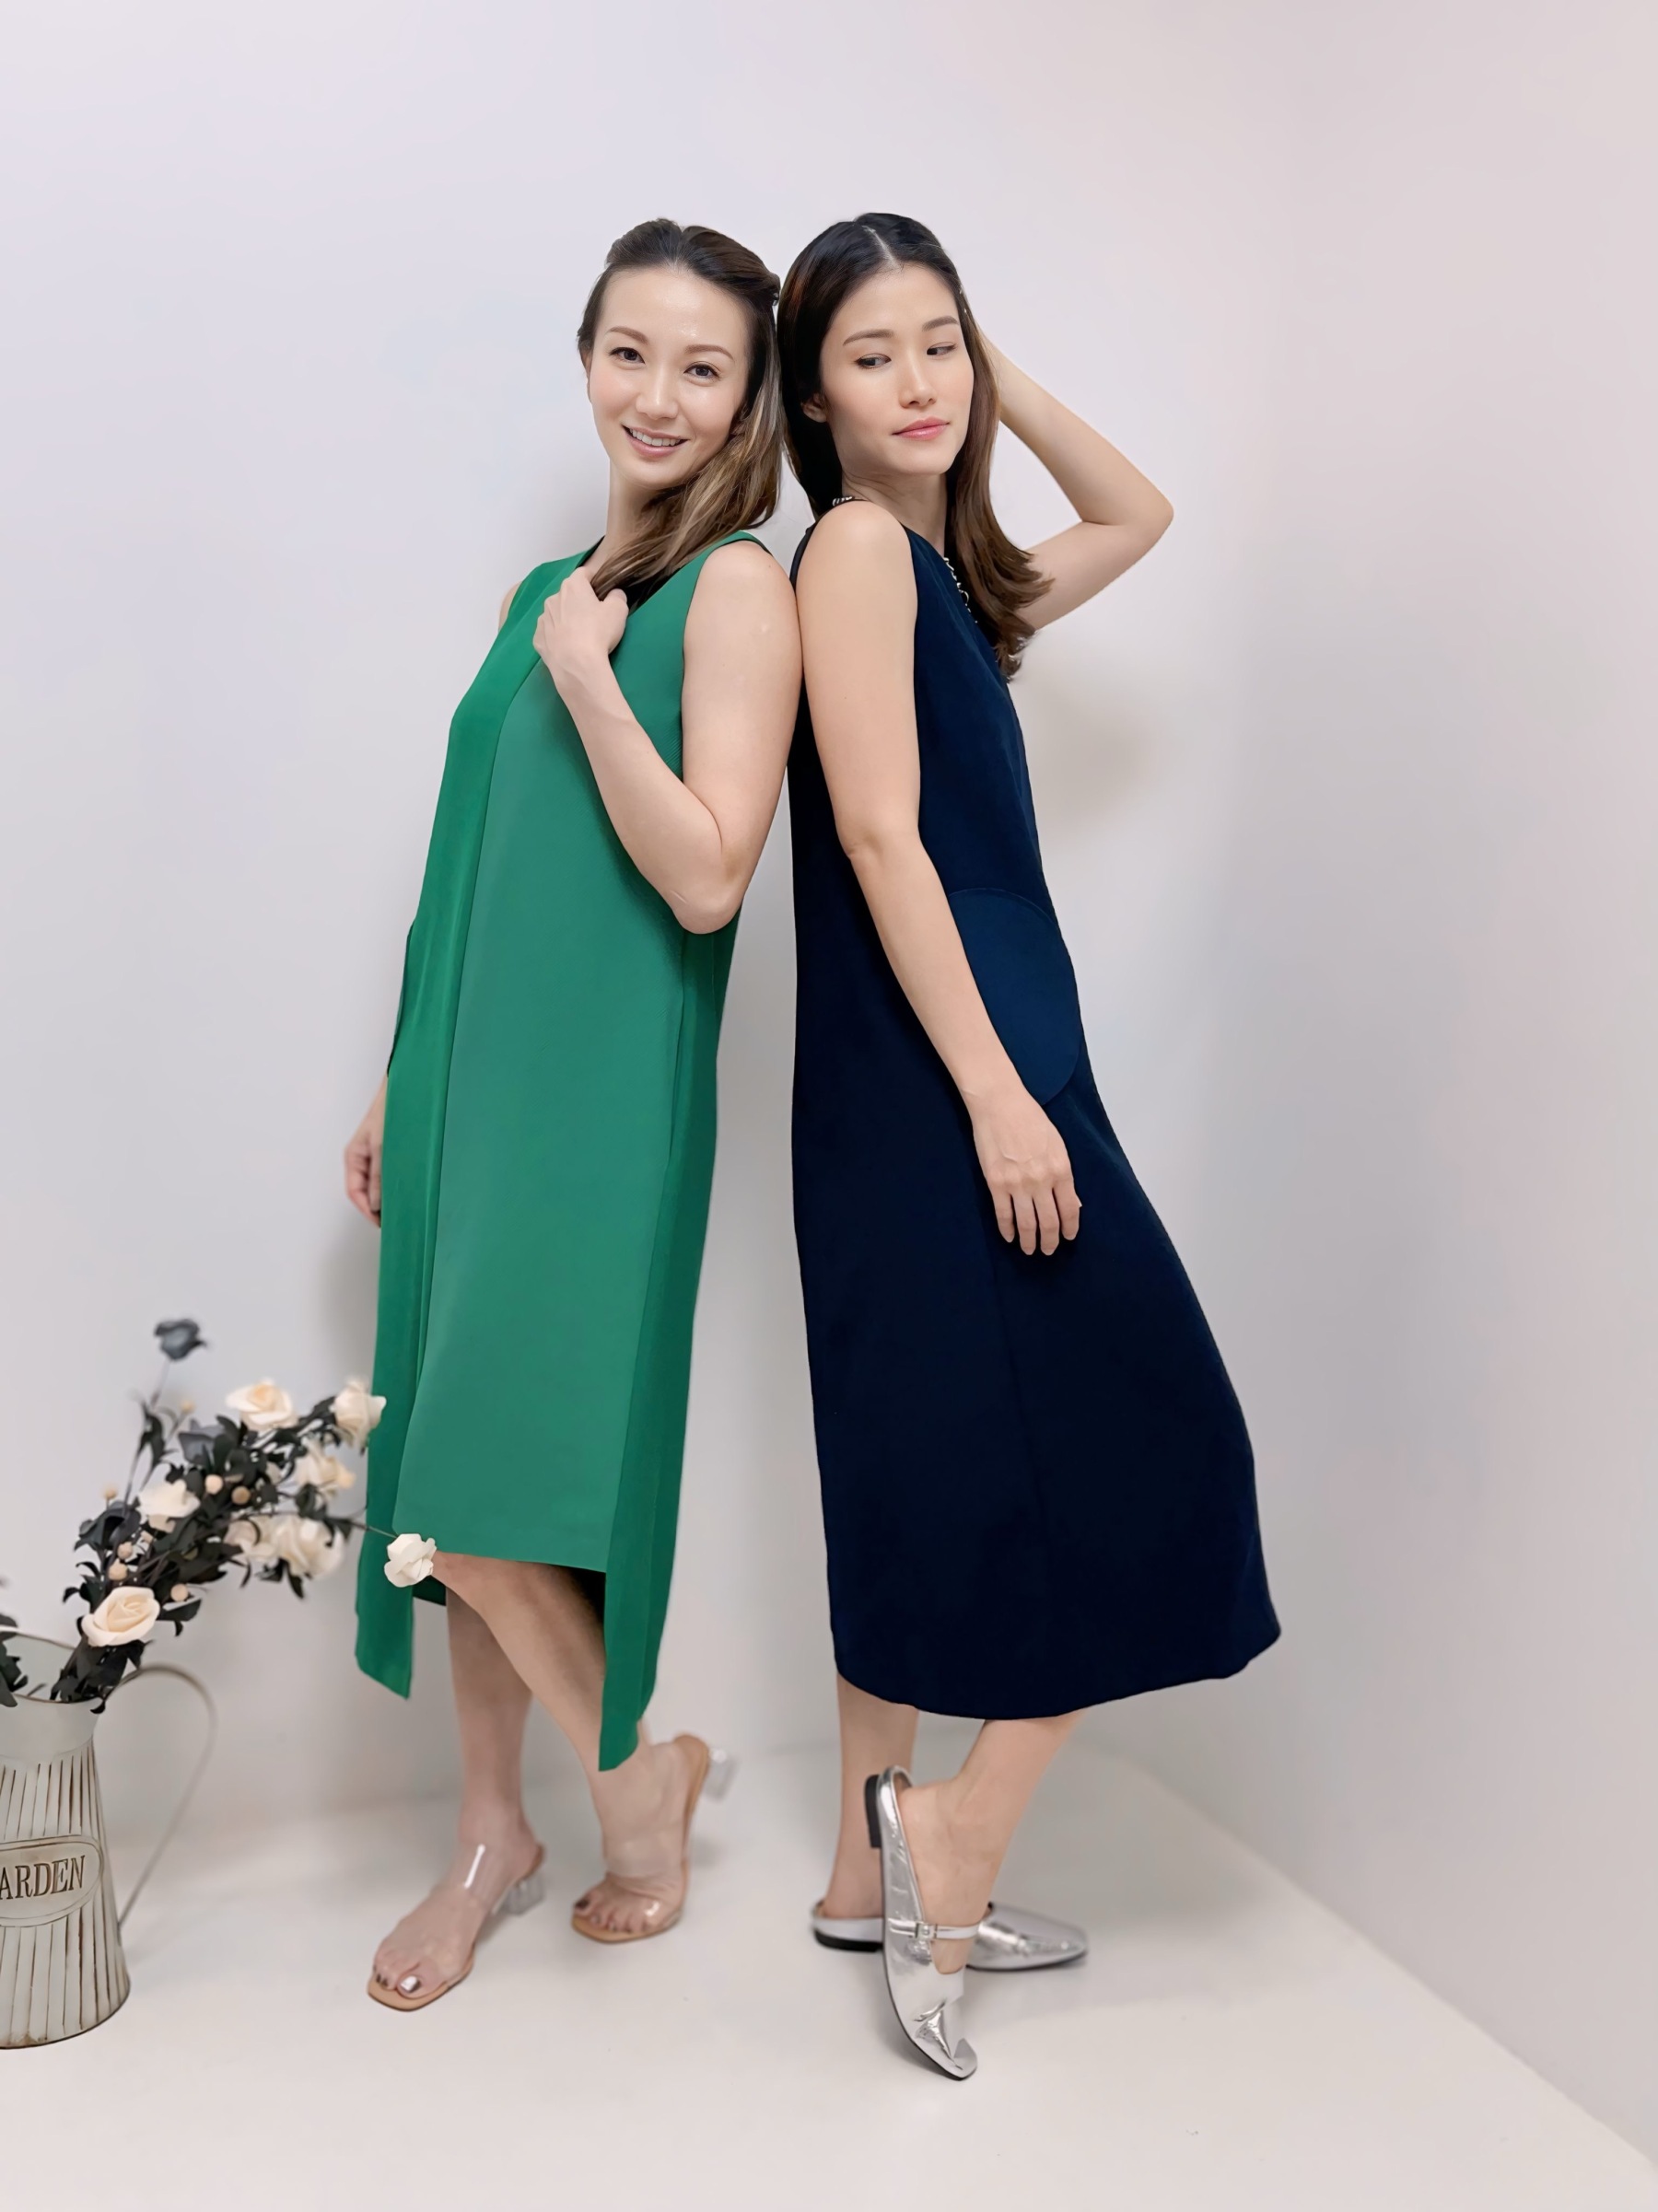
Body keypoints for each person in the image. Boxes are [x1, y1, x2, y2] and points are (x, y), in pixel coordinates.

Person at [779, 213, 1279, 2077]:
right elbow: (879, 837)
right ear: (811, 398)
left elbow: (1137, 511)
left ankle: (868, 1872)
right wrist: (997, 1095)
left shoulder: (943, 576)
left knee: (921, 1454)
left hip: (972, 1052)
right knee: (1163, 1432)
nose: (917, 383)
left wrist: (987, 379)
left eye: (942, 344)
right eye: (872, 356)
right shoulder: (852, 553)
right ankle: (957, 1829)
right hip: (955, 1066)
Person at [344, 219, 800, 2008]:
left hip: (600, 1106)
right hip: (471, 1085)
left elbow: (709, 874)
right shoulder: (548, 584)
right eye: (630, 352)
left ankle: (637, 1791)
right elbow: (472, 861)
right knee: (463, 1492)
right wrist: (400, 1071)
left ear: (750, 396)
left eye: (704, 366)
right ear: (588, 356)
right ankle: (491, 1833)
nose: (659, 395)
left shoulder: (739, 588)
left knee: (482, 1489)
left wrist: (597, 676)